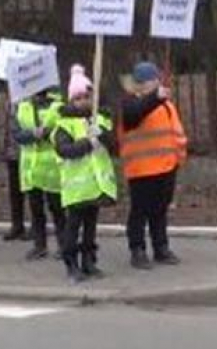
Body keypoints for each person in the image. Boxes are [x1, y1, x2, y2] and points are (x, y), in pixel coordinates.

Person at [119, 61, 187, 270]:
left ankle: (161, 247)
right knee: (140, 211)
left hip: (166, 167)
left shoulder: (165, 104)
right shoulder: (130, 103)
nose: (156, 83)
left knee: (160, 210)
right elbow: (134, 115)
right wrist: (154, 99)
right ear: (139, 84)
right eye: (151, 80)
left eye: (156, 79)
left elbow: (175, 133)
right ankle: (137, 249)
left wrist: (177, 160)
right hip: (141, 169)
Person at [53, 65, 117, 283]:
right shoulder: (63, 124)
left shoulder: (100, 119)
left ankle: (89, 261)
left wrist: (103, 135)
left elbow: (115, 146)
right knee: (73, 227)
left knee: (91, 227)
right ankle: (71, 264)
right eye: (78, 97)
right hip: (76, 188)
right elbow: (64, 150)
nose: (83, 101)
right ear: (71, 100)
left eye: (86, 96)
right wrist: (87, 143)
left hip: (96, 186)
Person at [14, 85, 66, 260]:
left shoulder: (56, 105)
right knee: (36, 209)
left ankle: (63, 244)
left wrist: (45, 133)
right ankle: (39, 245)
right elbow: (17, 134)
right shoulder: (22, 106)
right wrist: (32, 134)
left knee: (57, 208)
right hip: (30, 168)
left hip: (51, 167)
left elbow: (62, 130)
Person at [3, 101, 31, 242]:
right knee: (15, 192)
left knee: (33, 192)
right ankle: (17, 224)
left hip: (28, 153)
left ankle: (35, 226)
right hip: (12, 152)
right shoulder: (11, 103)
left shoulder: (30, 102)